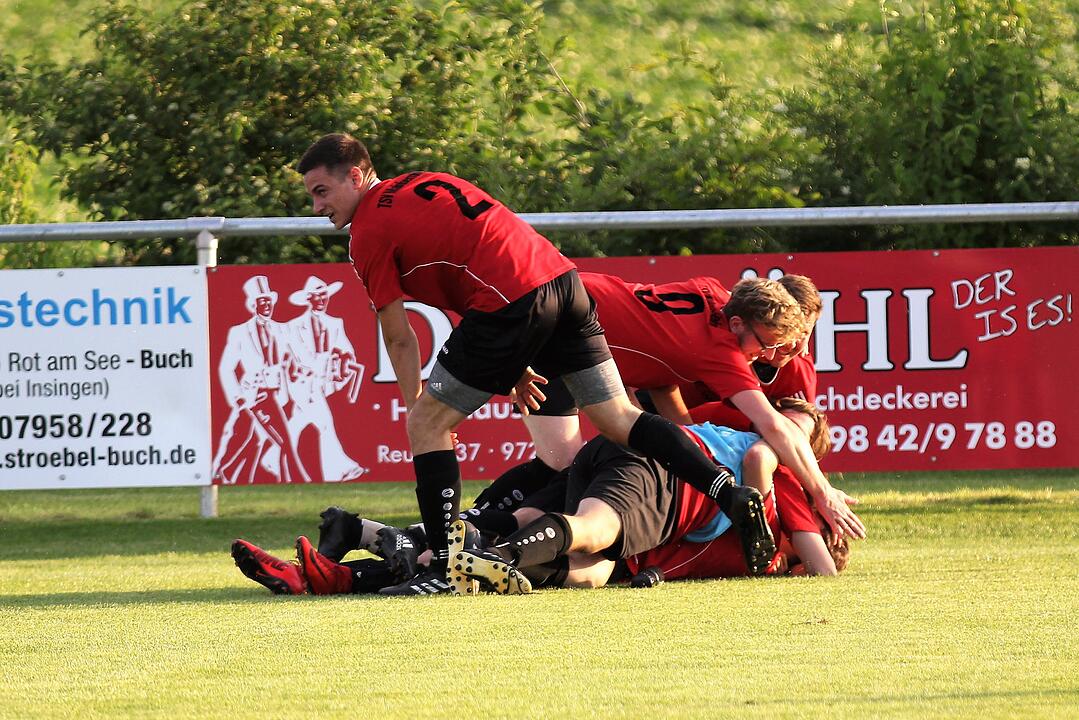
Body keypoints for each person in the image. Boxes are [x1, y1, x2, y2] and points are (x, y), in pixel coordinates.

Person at [296, 132, 783, 594]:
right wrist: (517, 355)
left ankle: (444, 567)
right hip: (565, 284)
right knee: (618, 419)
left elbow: (399, 336)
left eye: (323, 191)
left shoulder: (369, 230)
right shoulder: (425, 182)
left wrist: (416, 405)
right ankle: (726, 490)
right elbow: (476, 263)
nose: (318, 206)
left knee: (426, 425)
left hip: (511, 306)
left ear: (357, 176)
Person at [229, 399, 846, 597]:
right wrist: (761, 513)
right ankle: (434, 564)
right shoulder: (776, 462)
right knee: (593, 532)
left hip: (615, 459)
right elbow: (766, 463)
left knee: (572, 560)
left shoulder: (725, 421)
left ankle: (354, 558)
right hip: (653, 474)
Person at [448, 397, 838, 594]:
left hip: (618, 450)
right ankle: (491, 559)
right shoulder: (766, 453)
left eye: (794, 436)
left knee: (581, 558)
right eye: (783, 426)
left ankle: (429, 554)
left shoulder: (735, 428)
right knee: (591, 531)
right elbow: (756, 460)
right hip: (657, 475)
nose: (782, 435)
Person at [213, 275, 312, 484]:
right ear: (253, 305)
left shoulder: (281, 329)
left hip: (278, 394)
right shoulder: (240, 332)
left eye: (269, 301)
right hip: (256, 395)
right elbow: (226, 367)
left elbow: (296, 355)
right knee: (283, 440)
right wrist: (238, 398)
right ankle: (293, 482)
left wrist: (304, 368)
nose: (267, 306)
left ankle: (225, 471)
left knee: (250, 440)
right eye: (262, 301)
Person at [283, 275, 367, 482]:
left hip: (323, 384)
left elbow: (347, 349)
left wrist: (343, 361)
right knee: (325, 423)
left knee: (294, 426)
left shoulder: (335, 323)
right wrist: (324, 363)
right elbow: (300, 355)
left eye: (324, 295)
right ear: (308, 299)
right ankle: (338, 470)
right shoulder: (294, 326)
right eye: (317, 296)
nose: (321, 299)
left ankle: (273, 458)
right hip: (302, 384)